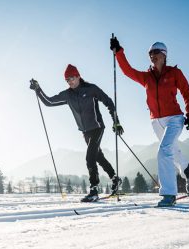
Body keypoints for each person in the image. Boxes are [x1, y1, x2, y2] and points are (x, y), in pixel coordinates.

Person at [110, 37, 189, 207]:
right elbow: (128, 71)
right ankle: (188, 171)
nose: (152, 55)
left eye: (155, 52)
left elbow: (187, 92)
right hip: (155, 121)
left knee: (164, 151)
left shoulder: (174, 73)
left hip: (174, 119)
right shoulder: (146, 77)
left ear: (164, 55)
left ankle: (169, 194)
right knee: (172, 151)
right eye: (150, 53)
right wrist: (119, 52)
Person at [29, 64, 124, 202]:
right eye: (67, 80)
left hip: (97, 127)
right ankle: (115, 179)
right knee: (97, 156)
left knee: (90, 157)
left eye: (72, 78)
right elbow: (49, 102)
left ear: (78, 76)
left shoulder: (91, 89)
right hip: (85, 131)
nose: (70, 82)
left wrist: (116, 121)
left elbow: (109, 102)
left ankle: (94, 190)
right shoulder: (68, 95)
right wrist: (38, 90)